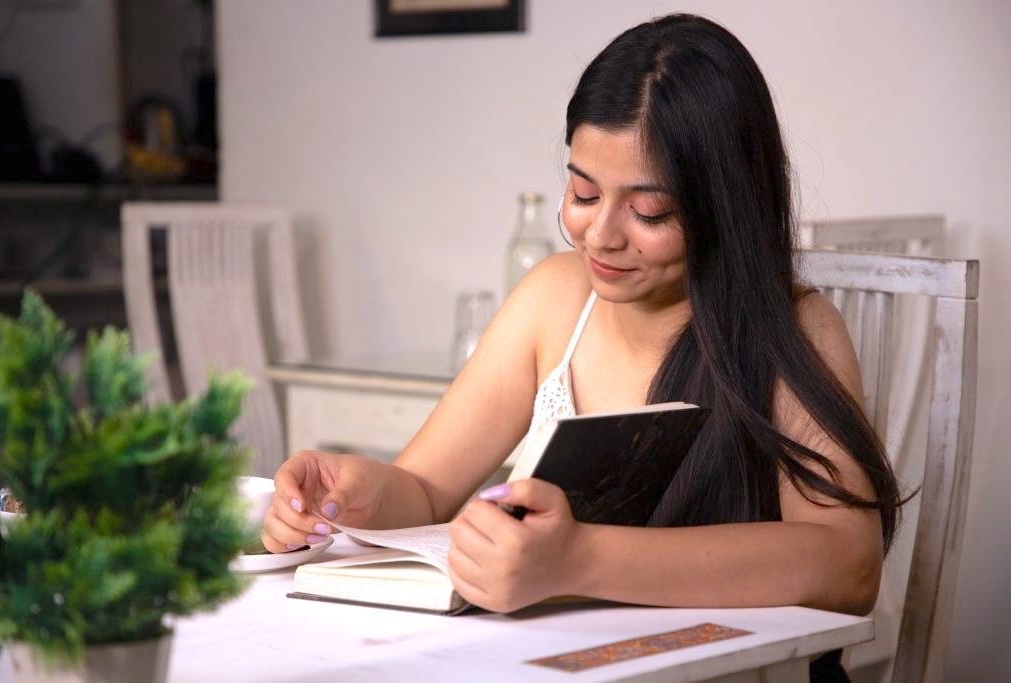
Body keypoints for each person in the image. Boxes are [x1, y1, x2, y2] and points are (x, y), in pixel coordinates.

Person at [262, 13, 903, 681]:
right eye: (583, 192)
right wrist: (363, 493)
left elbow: (847, 564)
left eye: (648, 212)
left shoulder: (792, 328)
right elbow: (425, 492)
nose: (599, 234)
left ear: (726, 206)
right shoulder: (553, 300)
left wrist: (578, 558)